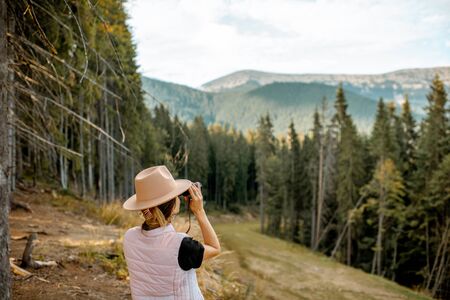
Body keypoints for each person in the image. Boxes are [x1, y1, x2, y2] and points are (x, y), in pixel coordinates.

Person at [122, 165, 221, 300]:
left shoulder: (130, 237)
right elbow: (215, 248)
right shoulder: (182, 246)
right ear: (173, 206)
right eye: (176, 196)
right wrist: (199, 211)